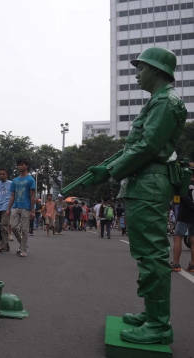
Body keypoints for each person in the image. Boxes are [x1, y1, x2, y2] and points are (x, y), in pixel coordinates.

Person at [87, 47, 186, 344]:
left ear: (156, 70)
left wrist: (111, 171)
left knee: (153, 254)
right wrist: (111, 165)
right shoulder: (157, 103)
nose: (137, 73)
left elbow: (147, 147)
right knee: (146, 254)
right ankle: (152, 313)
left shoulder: (167, 103)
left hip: (150, 184)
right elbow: (136, 146)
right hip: (144, 183)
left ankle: (158, 324)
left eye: (141, 68)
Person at [5, 158, 36, 257]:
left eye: (22, 164)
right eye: (19, 165)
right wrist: (8, 209)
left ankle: (23, 249)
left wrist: (32, 210)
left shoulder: (30, 179)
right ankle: (22, 244)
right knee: (13, 226)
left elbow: (32, 196)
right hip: (16, 206)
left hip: (26, 207)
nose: (20, 166)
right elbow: (12, 196)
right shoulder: (15, 180)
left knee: (25, 229)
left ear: (26, 166)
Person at [169, 169, 194, 272]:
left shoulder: (185, 184)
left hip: (185, 215)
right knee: (193, 240)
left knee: (178, 237)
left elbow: (183, 197)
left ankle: (176, 264)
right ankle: (192, 265)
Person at [0, 169, 13, 253]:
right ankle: (6, 246)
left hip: (6, 207)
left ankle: (1, 245)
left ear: (6, 175)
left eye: (3, 174)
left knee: (4, 226)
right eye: (0, 174)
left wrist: (10, 207)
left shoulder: (11, 183)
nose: (2, 175)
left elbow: (13, 195)